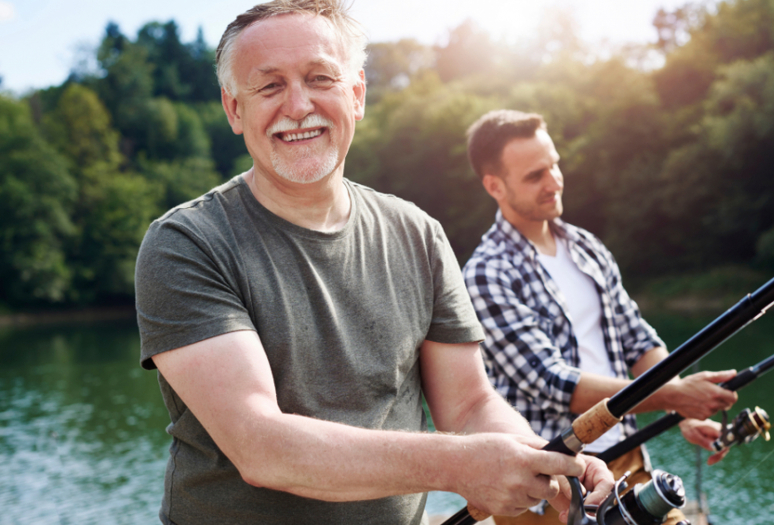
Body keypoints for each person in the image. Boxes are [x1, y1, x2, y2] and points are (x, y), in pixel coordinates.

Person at [134, 4, 613, 525]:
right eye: (269, 87)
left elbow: (472, 405)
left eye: (320, 78)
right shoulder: (185, 244)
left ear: (356, 94)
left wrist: (542, 462)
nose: (298, 106)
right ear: (233, 109)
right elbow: (261, 446)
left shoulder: (419, 234)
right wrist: (458, 465)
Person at [462, 110, 740, 525]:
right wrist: (673, 397)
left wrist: (680, 408)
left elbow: (638, 339)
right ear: (494, 186)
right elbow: (554, 383)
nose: (554, 180)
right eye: (535, 175)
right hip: (546, 483)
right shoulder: (487, 273)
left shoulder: (587, 247)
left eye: (554, 164)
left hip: (626, 457)